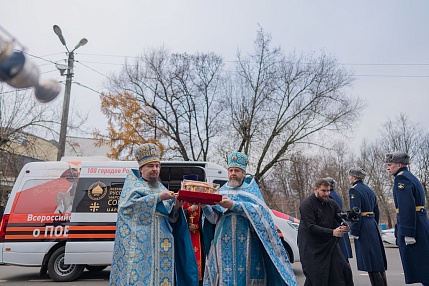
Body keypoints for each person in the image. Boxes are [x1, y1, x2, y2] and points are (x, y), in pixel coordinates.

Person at [201, 151, 297, 286]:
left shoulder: (252, 192)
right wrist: (205, 206)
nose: (233, 173)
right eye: (231, 170)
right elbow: (213, 219)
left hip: (247, 244)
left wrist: (233, 205)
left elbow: (260, 214)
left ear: (243, 173)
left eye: (237, 171)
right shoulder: (220, 192)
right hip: (222, 244)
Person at [110, 143, 198, 286]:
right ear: (141, 169)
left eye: (157, 166)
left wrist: (176, 206)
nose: (155, 169)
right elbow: (126, 209)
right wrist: (158, 198)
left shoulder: (162, 188)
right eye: (150, 166)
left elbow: (171, 219)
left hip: (163, 248)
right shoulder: (133, 187)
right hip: (141, 249)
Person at [298, 178, 354, 286]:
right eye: (323, 191)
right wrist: (332, 232)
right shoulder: (307, 204)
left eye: (328, 191)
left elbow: (342, 217)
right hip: (311, 246)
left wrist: (347, 226)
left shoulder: (332, 203)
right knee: (317, 277)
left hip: (329, 245)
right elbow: (311, 227)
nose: (326, 194)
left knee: (343, 270)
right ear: (316, 189)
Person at [386, 152, 429, 286]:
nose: (388, 168)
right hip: (420, 222)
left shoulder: (401, 179)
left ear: (399, 165)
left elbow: (406, 206)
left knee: (422, 266)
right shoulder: (410, 177)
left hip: (414, 224)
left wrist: (408, 233)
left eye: (390, 165)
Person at [347, 167, 387, 286]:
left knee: (370, 260)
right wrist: (373, 223)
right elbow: (376, 210)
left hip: (363, 226)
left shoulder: (354, 190)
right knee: (377, 259)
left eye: (350, 176)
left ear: (354, 177)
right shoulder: (369, 190)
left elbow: (356, 211)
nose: (349, 178)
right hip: (372, 224)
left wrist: (355, 230)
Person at [325, 177, 353, 262]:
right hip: (339, 223)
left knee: (338, 256)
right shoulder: (336, 195)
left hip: (334, 225)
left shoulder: (329, 196)